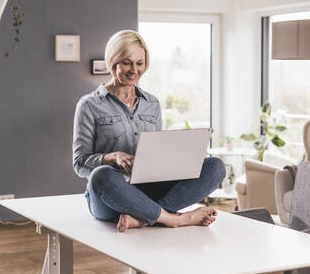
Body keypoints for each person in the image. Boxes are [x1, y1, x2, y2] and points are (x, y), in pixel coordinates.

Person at [72, 30, 225, 232]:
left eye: (139, 63)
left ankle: (145, 218)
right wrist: (112, 157)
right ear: (113, 62)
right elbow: (79, 163)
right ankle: (174, 219)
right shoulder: (89, 105)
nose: (134, 70)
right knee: (101, 175)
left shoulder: (151, 103)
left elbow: (156, 155)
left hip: (148, 190)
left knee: (216, 167)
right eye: (127, 63)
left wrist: (173, 159)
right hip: (110, 195)